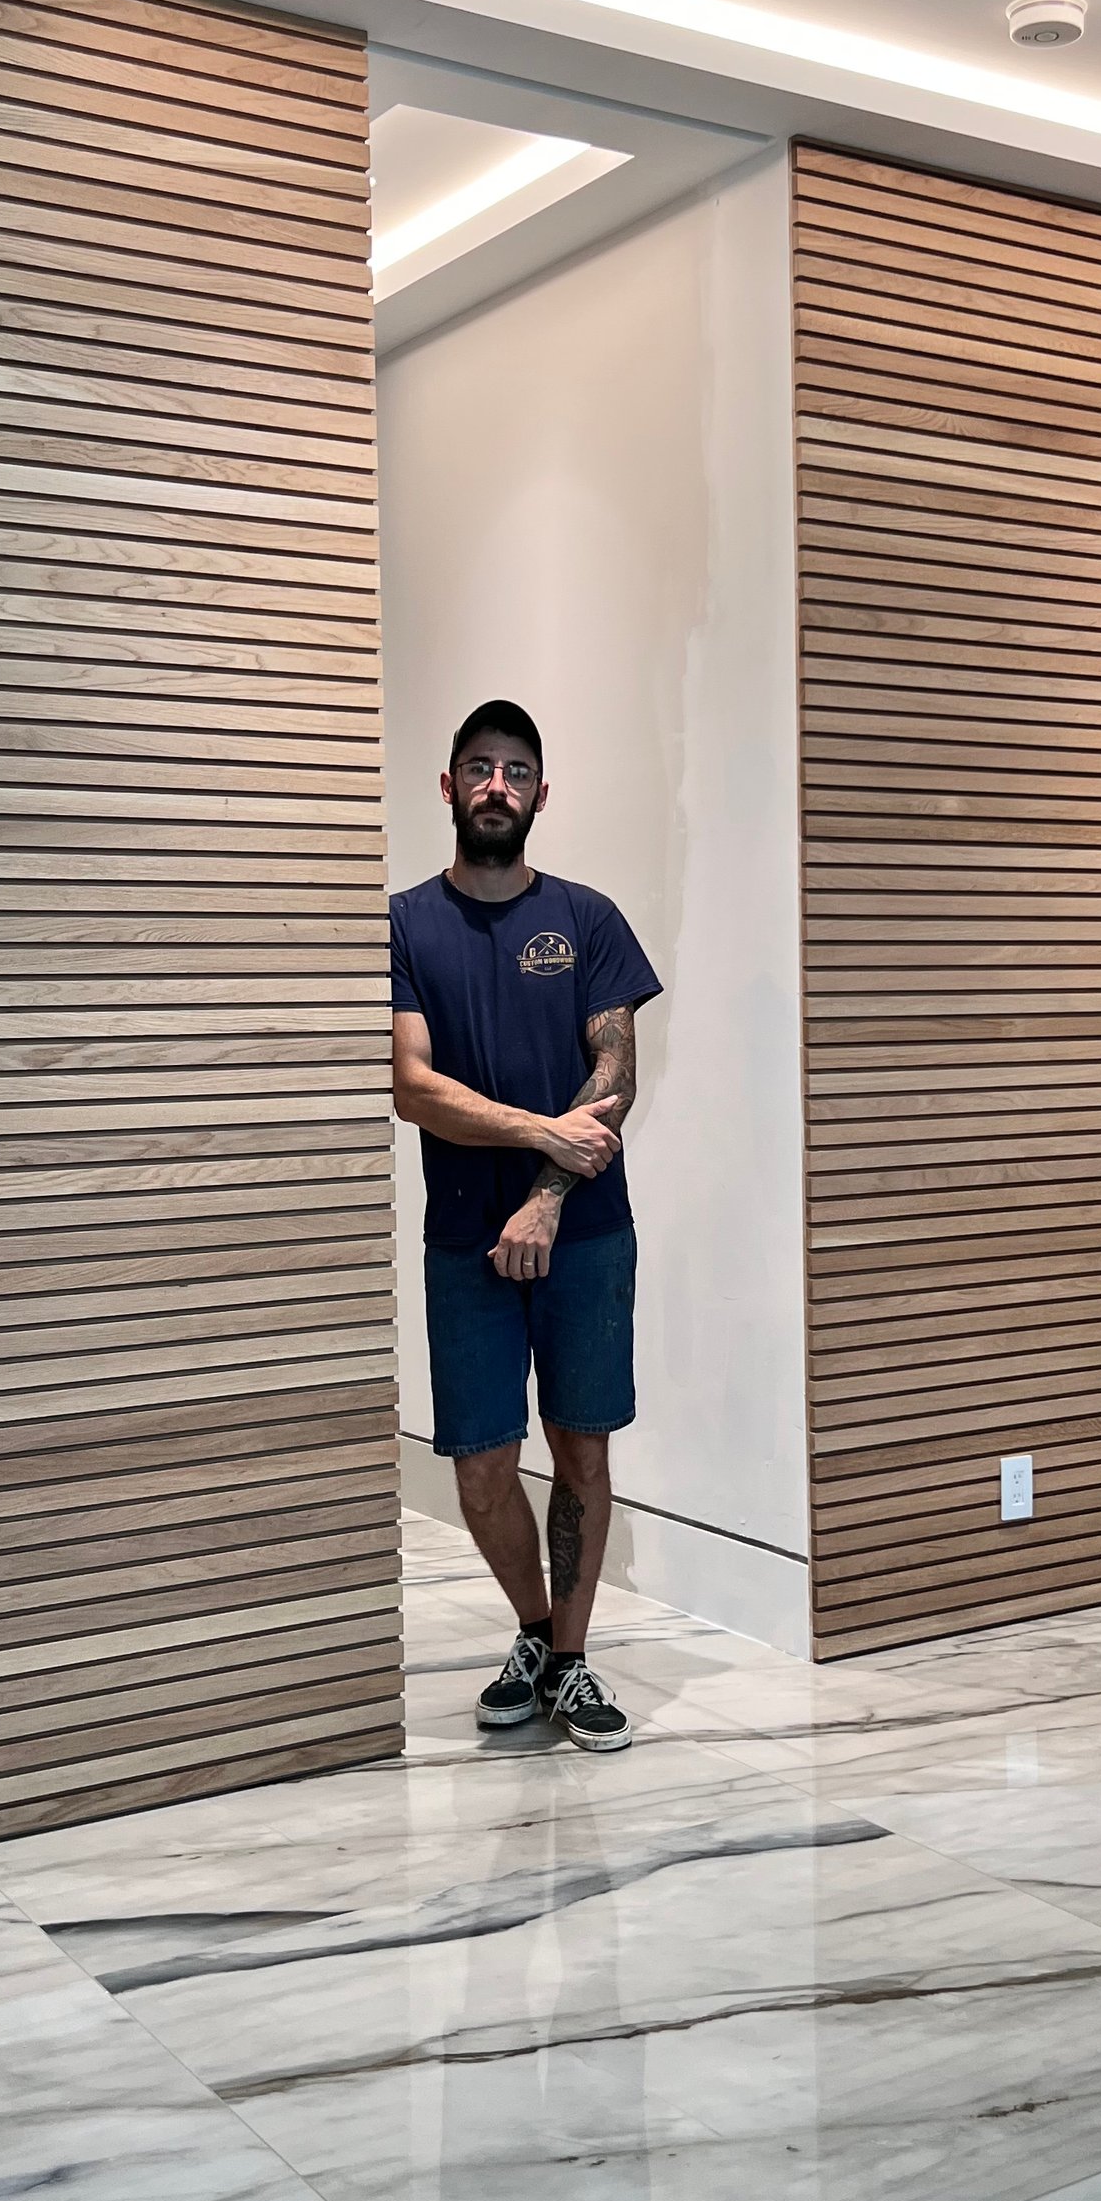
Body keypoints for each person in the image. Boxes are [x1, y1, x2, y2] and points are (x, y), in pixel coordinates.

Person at [389, 700, 662, 1754]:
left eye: (515, 771)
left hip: (586, 1232)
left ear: (541, 794)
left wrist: (545, 1191)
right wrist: (537, 1130)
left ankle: (576, 1659)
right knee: (480, 1463)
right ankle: (539, 1634)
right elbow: (412, 1085)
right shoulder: (406, 922)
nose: (496, 786)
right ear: (448, 786)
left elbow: (616, 1074)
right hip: (465, 1236)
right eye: (477, 768)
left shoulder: (590, 920)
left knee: (580, 1449)